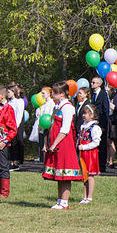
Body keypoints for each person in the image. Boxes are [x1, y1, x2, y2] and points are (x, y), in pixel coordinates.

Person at [42, 81, 82, 210]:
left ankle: (64, 202)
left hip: (64, 144)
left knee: (65, 174)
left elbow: (65, 129)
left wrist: (54, 144)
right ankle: (59, 201)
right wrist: (47, 143)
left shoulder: (67, 107)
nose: (52, 94)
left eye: (54, 92)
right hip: (55, 144)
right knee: (58, 174)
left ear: (62, 94)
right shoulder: (57, 106)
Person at [77, 104, 102, 204]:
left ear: (91, 115)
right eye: (83, 113)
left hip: (90, 154)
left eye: (85, 113)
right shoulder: (83, 126)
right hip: (83, 153)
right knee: (84, 174)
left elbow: (96, 142)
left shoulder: (95, 128)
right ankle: (85, 196)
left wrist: (84, 147)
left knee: (90, 175)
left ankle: (90, 196)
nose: (83, 115)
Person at [89, 77, 112, 173]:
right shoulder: (92, 94)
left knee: (101, 145)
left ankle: (102, 165)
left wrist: (103, 125)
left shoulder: (103, 94)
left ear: (99, 84)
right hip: (92, 122)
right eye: (91, 82)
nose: (92, 84)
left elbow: (105, 110)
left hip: (101, 122)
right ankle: (94, 164)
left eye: (94, 82)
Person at [33, 87, 54, 163]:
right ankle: (43, 161)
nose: (42, 95)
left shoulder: (52, 103)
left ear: (49, 94)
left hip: (48, 126)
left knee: (47, 143)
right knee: (42, 143)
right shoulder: (44, 104)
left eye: (43, 93)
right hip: (42, 126)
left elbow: (51, 115)